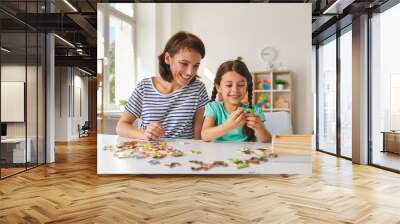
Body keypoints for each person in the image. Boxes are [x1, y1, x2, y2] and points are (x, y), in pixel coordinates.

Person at [116, 31, 209, 140]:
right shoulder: (144, 87)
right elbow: (121, 126)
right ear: (168, 58)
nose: (190, 72)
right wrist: (144, 133)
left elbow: (198, 136)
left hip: (185, 154)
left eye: (196, 66)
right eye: (184, 63)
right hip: (150, 153)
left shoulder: (198, 89)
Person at [201, 58, 271, 142]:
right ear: (218, 87)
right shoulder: (213, 108)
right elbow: (205, 136)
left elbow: (267, 141)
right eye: (229, 85)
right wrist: (229, 125)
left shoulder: (255, 110)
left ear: (247, 87)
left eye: (241, 85)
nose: (235, 90)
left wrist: (260, 127)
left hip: (245, 153)